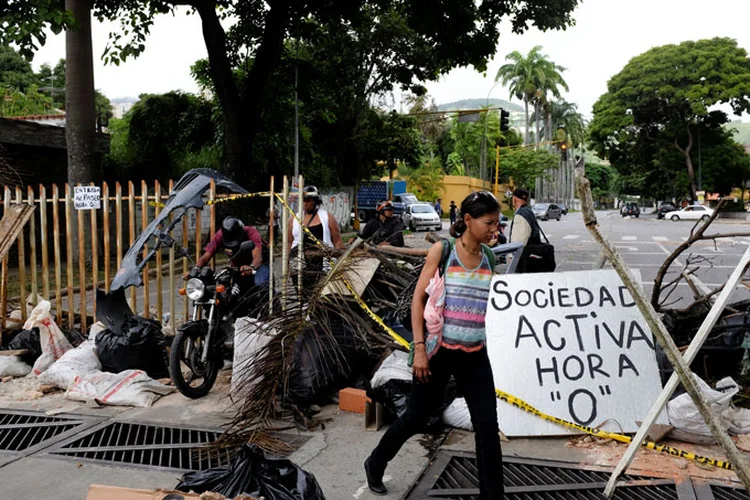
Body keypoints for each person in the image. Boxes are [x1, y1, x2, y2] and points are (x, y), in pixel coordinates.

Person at [364, 191, 504, 499]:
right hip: (438, 352)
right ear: (468, 220)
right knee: (416, 417)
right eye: (489, 223)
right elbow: (418, 301)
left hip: (475, 356)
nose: (495, 229)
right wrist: (420, 350)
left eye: (497, 223)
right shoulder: (443, 251)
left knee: (487, 427)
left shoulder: (490, 258)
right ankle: (375, 462)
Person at [288, 185, 343, 290]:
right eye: (303, 200)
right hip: (300, 266)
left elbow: (337, 241)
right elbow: (289, 242)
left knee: (323, 296)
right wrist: (287, 263)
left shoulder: (328, 217)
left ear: (315, 201)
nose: (305, 204)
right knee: (303, 297)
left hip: (323, 265)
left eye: (308, 201)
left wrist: (337, 258)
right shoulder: (293, 220)